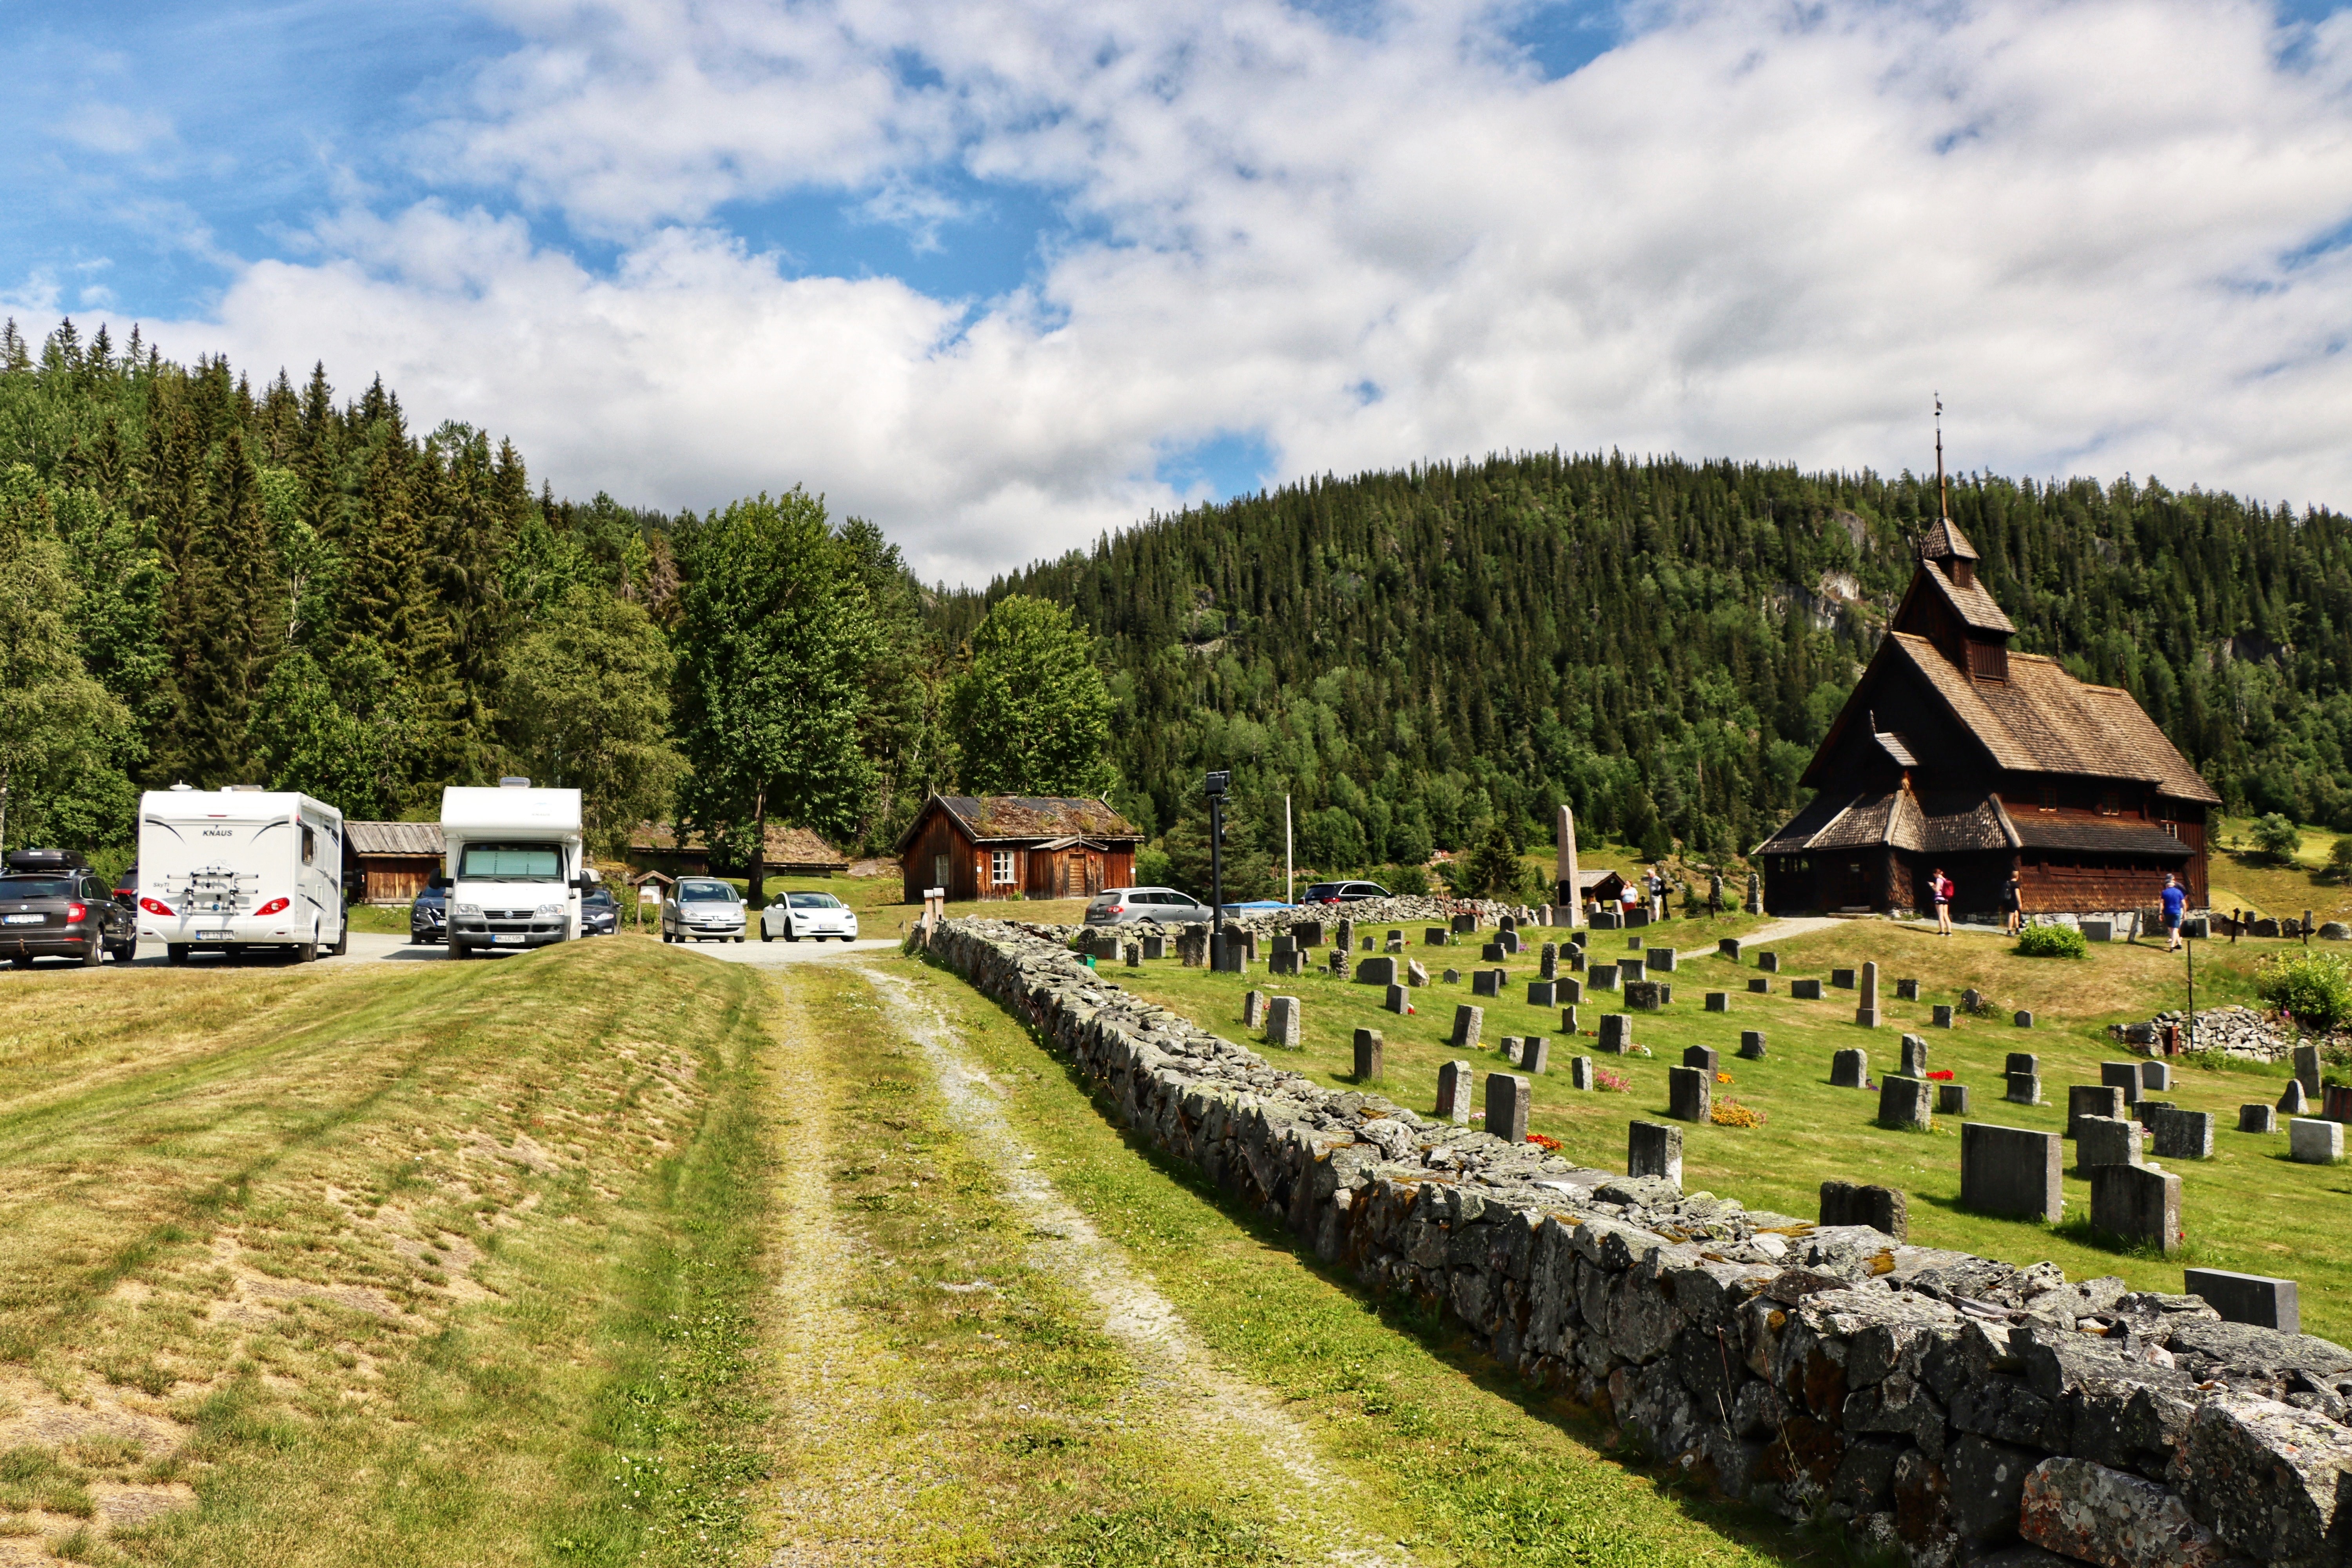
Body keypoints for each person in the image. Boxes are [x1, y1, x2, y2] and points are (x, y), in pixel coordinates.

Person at [2161, 873, 2187, 952]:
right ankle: (2179, 944)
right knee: (2173, 928)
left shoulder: (2178, 886)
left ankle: (2173, 946)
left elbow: (2186, 895)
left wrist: (2180, 904)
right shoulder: (2167, 887)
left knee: (2175, 928)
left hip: (2178, 909)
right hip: (2174, 910)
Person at [1931, 866, 1953, 935]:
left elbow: (1937, 890)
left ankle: (1942, 932)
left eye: (1934, 875)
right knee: (1946, 915)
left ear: (1936, 874)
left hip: (1939, 899)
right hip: (1946, 899)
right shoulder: (1945, 880)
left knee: (1941, 915)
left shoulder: (1938, 880)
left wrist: (1932, 886)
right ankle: (1949, 932)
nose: (1934, 876)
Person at [2002, 867, 2023, 936]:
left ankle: (2017, 929)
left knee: (2016, 914)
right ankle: (2009, 931)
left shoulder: (2008, 883)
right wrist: (2020, 903)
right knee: (2012, 915)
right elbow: (2017, 894)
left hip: (2009, 901)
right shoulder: (2016, 884)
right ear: (2017, 876)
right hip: (2014, 902)